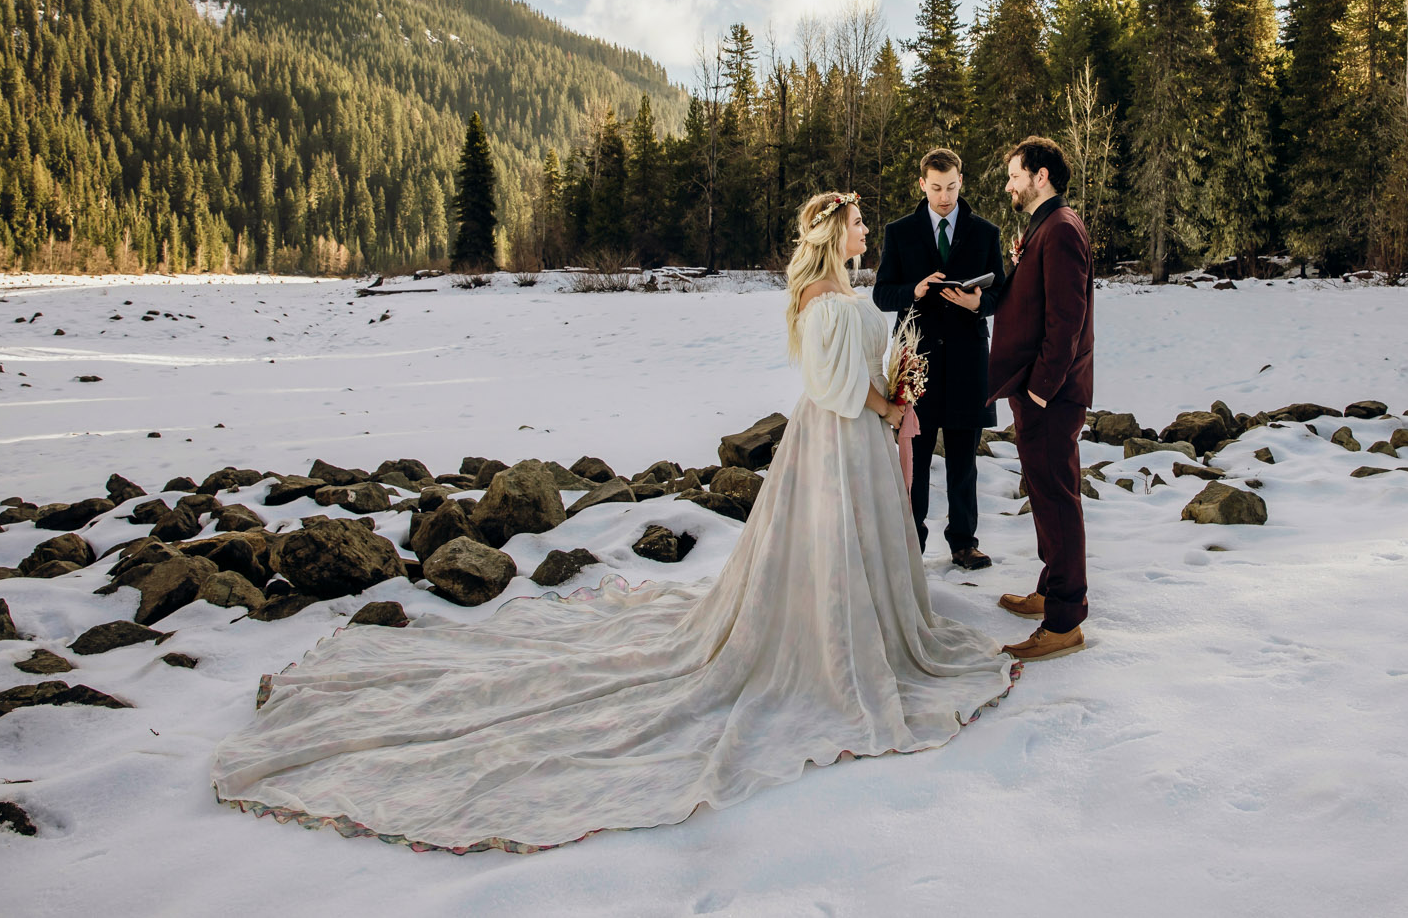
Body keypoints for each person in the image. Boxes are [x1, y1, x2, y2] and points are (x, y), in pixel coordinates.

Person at [210, 192, 1016, 853]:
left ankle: (868, 624)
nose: (869, 229)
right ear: (835, 231)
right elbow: (832, 381)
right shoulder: (815, 297)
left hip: (862, 446)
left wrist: (893, 387)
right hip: (835, 442)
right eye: (859, 221)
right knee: (821, 549)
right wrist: (888, 401)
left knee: (857, 551)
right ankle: (830, 644)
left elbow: (867, 360)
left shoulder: (849, 287)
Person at [987, 137, 1095, 663]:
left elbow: (1067, 322)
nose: (1009, 184)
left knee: (1056, 499)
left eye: (1014, 175)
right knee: (1047, 494)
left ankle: (1065, 621)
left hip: (1049, 395)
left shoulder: (1062, 229)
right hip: (1037, 392)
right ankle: (1052, 590)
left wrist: (1039, 389)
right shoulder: (1043, 228)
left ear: (1042, 175)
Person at [872, 148, 1007, 569]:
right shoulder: (900, 232)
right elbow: (881, 293)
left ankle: (964, 543)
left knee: (964, 461)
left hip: (968, 361)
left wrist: (978, 303)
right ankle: (910, 544)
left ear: (961, 181)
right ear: (922, 184)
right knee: (914, 455)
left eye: (951, 187)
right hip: (917, 361)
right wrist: (913, 290)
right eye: (936, 188)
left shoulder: (985, 233)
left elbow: (1003, 295)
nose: (944, 196)